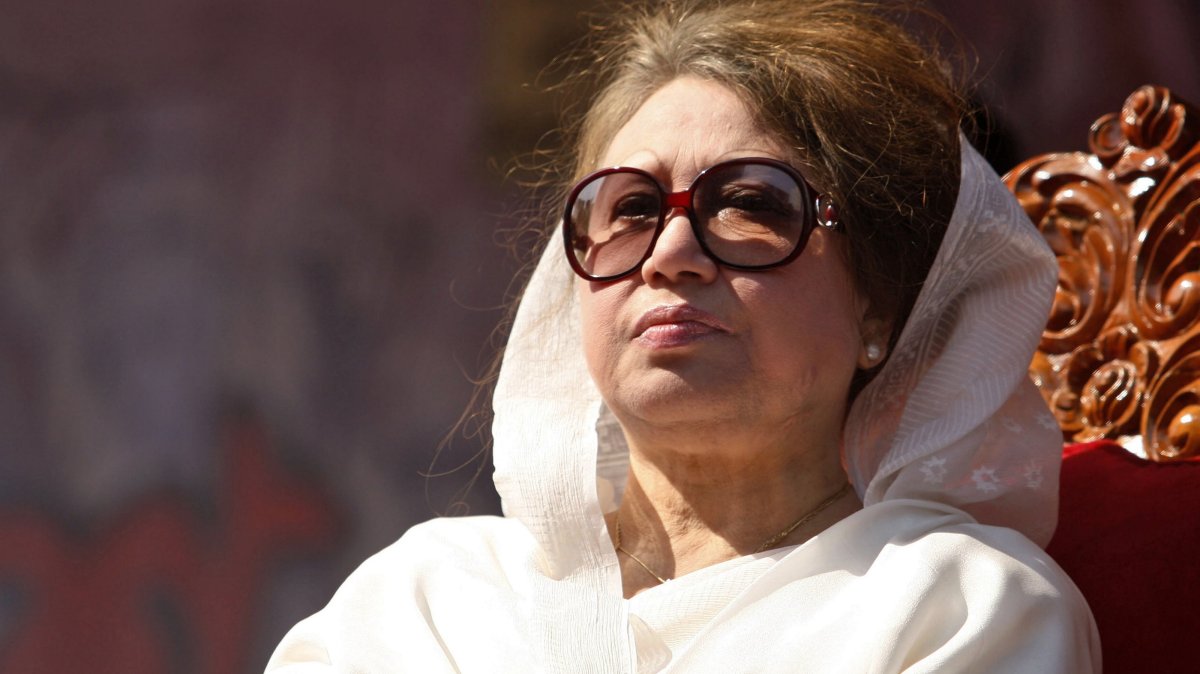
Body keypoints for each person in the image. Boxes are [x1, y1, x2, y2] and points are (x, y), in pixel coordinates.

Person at [266, 0, 1100, 670]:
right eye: (629, 208)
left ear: (882, 308)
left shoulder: (955, 606)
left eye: (749, 205)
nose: (669, 256)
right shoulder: (431, 599)